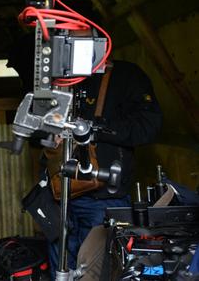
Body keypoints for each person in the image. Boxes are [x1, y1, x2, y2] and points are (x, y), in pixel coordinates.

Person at [46, 59, 163, 276]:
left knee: (99, 272)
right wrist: (49, 133)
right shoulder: (55, 73)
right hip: (57, 195)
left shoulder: (125, 75)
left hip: (104, 199)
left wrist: (95, 129)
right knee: (59, 271)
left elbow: (148, 126)